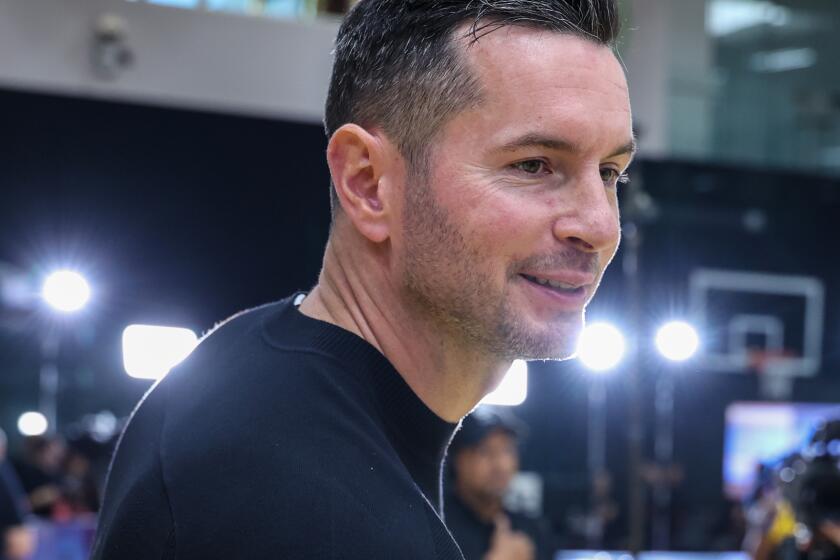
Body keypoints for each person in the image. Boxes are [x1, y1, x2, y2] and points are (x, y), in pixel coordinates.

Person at [92, 0, 634, 558]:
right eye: (534, 164)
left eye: (611, 172)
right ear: (368, 183)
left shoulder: (245, 367)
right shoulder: (310, 513)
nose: (598, 225)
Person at [445, 409, 553, 560]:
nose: (501, 465)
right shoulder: (437, 528)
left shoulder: (529, 529)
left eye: (508, 450)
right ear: (458, 460)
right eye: (485, 451)